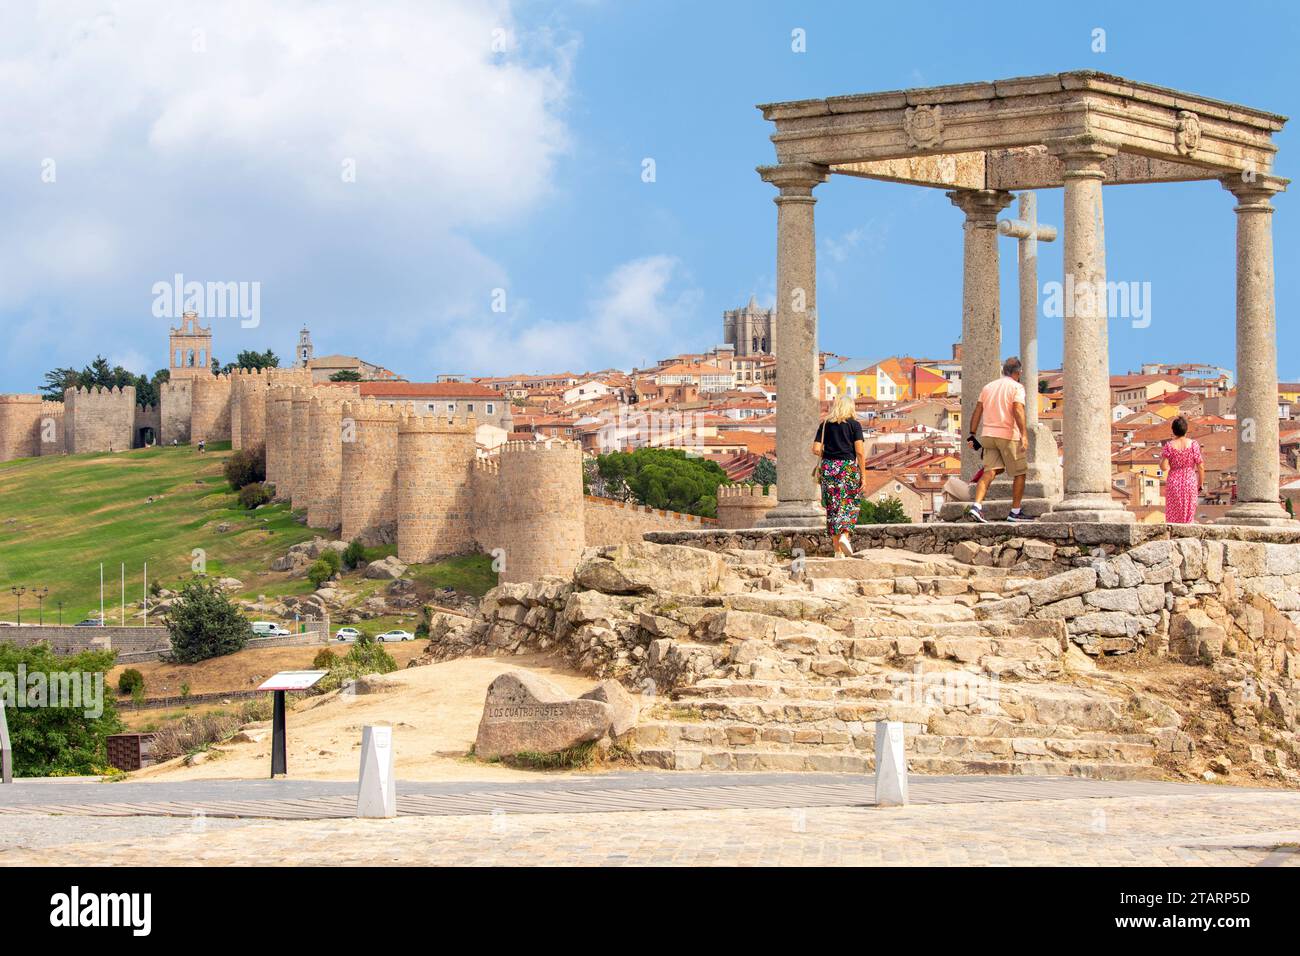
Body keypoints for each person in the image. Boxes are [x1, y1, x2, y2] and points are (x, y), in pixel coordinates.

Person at [965, 356, 1031, 523]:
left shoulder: (988, 387)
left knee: (990, 472)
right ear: (1018, 372)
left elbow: (978, 410)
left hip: (988, 435)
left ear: (1003, 371)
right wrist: (1024, 434)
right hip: (1008, 435)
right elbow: (1018, 409)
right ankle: (1015, 512)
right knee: (1020, 472)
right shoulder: (1017, 387)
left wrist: (972, 434)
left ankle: (977, 506)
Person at [812, 394, 865, 557]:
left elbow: (815, 449)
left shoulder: (825, 425)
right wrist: (863, 475)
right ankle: (844, 536)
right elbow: (860, 452)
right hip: (847, 469)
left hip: (829, 468)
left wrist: (830, 451)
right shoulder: (854, 425)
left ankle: (837, 552)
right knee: (849, 504)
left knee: (833, 508)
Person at [1160, 416, 1203, 524]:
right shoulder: (1193, 445)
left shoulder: (1169, 446)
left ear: (1173, 430)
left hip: (1174, 481)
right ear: (1186, 429)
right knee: (1189, 513)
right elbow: (1200, 466)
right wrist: (1200, 483)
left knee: (1173, 514)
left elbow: (1164, 467)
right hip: (1190, 480)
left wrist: (1166, 462)